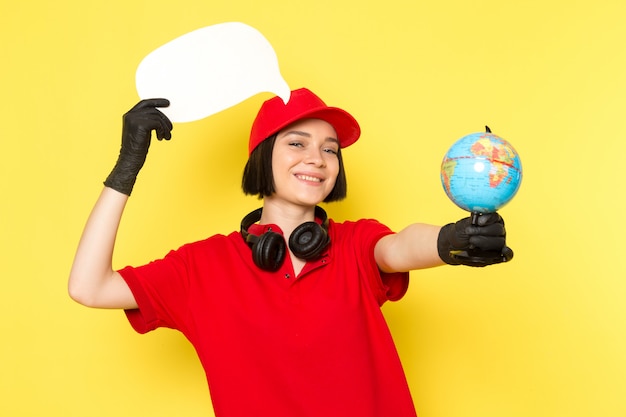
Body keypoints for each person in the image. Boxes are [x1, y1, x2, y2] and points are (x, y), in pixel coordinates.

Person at [68, 88, 512, 417]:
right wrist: (127, 165)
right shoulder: (201, 267)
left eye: (330, 150)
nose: (317, 159)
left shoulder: (355, 244)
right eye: (297, 143)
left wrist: (450, 241)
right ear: (263, 156)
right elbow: (89, 286)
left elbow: (399, 247)